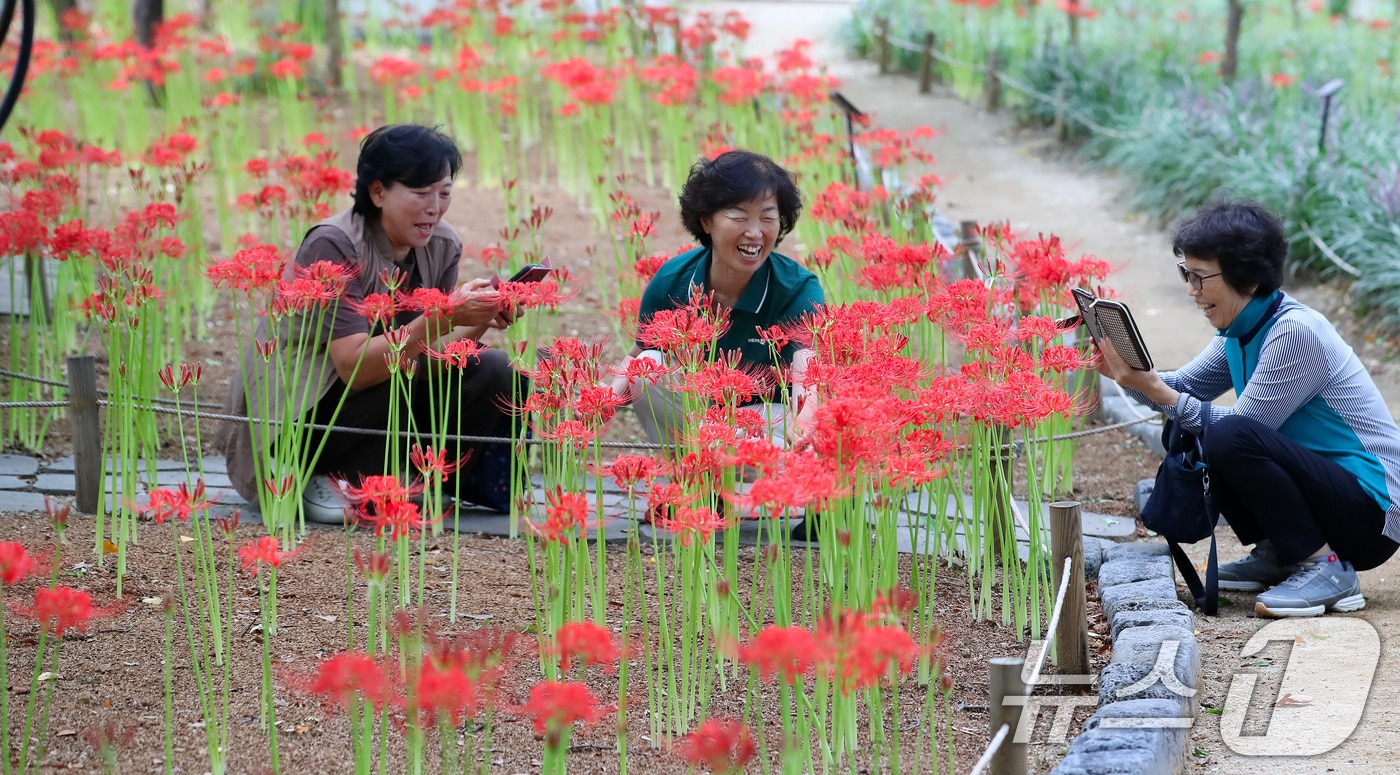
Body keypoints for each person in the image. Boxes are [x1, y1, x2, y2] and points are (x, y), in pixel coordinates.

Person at [1095, 200, 1400, 618]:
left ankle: (1325, 567)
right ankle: (1282, 552)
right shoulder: (1239, 329)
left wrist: (1157, 390)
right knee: (1210, 428)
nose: (1191, 291)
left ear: (1249, 279)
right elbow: (1180, 389)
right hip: (1331, 498)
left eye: (1200, 277)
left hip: (1372, 514)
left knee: (1225, 434)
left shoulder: (1295, 331)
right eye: (1186, 274)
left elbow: (1241, 427)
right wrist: (1128, 374)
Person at [224, 124, 519, 520]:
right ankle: (324, 474)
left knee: (492, 368)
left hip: (381, 384)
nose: (435, 207)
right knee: (395, 367)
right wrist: (446, 315)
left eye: (444, 192)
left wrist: (479, 317)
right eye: (421, 193)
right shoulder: (334, 243)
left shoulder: (442, 243)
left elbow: (432, 355)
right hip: (305, 405)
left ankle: (408, 477)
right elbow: (355, 367)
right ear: (378, 192)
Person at [609, 149, 825, 536]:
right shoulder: (672, 281)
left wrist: (807, 439)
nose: (755, 232)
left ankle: (823, 498)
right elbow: (639, 355)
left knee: (826, 414)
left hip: (768, 425)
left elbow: (807, 370)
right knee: (649, 368)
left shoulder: (797, 288)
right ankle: (698, 487)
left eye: (768, 217)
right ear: (706, 221)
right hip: (701, 421)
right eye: (739, 216)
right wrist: (599, 403)